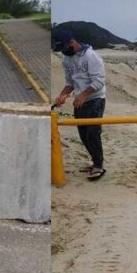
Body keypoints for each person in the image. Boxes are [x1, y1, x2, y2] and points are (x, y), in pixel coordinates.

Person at [52, 29, 107, 181]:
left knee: (93, 133)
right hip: (79, 100)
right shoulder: (66, 59)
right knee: (83, 134)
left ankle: (99, 165)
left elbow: (99, 81)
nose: (63, 51)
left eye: (64, 47)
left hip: (95, 99)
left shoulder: (91, 56)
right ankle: (94, 161)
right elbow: (70, 82)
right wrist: (63, 95)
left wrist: (83, 95)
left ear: (72, 42)